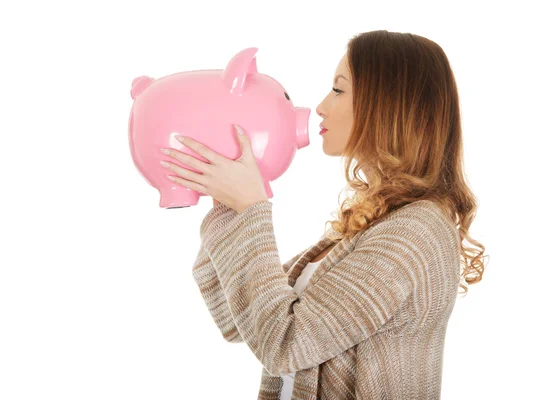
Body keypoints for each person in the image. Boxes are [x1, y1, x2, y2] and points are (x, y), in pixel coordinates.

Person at [193, 30, 487, 400]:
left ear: (387, 104)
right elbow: (236, 317)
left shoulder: (416, 233)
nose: (320, 106)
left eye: (339, 89)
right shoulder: (373, 226)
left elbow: (286, 345)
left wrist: (251, 207)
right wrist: (226, 205)